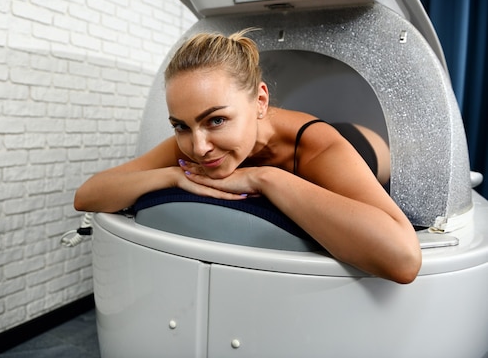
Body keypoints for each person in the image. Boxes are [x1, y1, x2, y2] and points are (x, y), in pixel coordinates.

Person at [74, 29, 422, 284]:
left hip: (363, 143)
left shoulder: (318, 146)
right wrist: (174, 176)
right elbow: (87, 195)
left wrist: (266, 178)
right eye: (181, 126)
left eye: (217, 120)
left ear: (259, 101)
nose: (198, 148)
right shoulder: (196, 141)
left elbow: (404, 260)